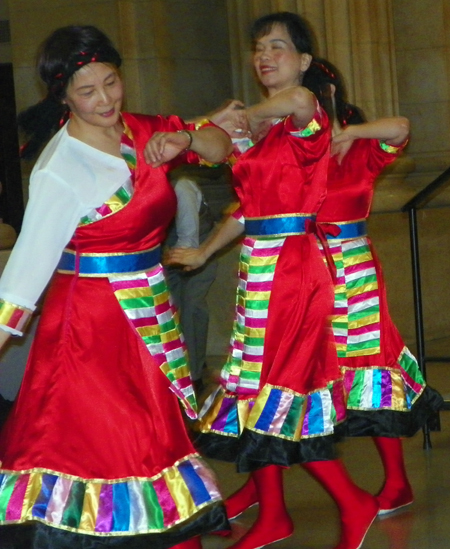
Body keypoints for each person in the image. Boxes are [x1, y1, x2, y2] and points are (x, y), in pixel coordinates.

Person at [0, 25, 232, 549]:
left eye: (111, 82)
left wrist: (188, 138)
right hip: (89, 328)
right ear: (62, 96)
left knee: (162, 449)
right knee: (113, 456)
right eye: (87, 91)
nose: (105, 98)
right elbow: (26, 273)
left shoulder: (146, 130)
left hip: (149, 312)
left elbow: (221, 148)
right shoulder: (59, 168)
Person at [168, 12, 379, 549]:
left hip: (296, 269)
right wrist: (204, 250)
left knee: (277, 392)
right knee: (247, 391)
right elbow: (246, 210)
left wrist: (247, 119)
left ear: (304, 61)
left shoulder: (302, 118)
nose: (265, 56)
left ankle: (353, 503)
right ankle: (274, 516)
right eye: (260, 47)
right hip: (259, 270)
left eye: (278, 47)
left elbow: (300, 102)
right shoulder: (255, 135)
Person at [302, 58, 444, 514]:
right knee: (293, 376)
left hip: (351, 269)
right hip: (301, 269)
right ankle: (262, 491)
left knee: (369, 371)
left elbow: (400, 127)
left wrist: (351, 133)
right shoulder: (294, 149)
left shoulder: (358, 148)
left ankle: (398, 481)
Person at [164, 172, 218, 395]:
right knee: (168, 311)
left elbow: (188, 242)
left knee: (191, 309)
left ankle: (194, 378)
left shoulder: (182, 187)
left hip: (198, 248)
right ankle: (176, 371)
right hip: (168, 249)